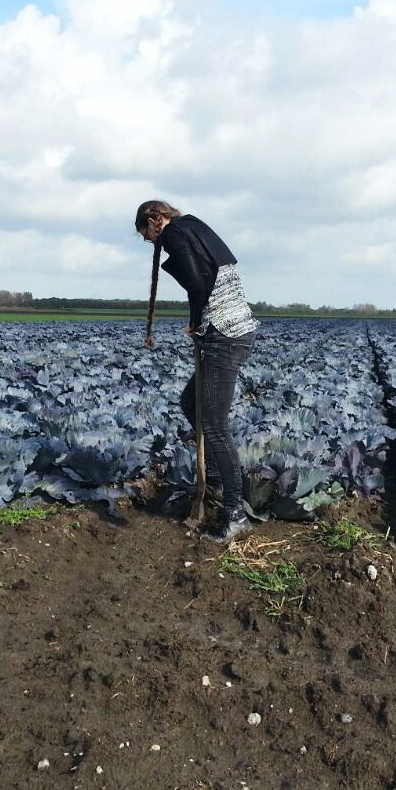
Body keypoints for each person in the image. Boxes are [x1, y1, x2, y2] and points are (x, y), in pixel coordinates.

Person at [135, 200, 259, 543]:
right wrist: (195, 321)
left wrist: (198, 321)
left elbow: (196, 282)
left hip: (223, 334)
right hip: (238, 329)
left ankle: (235, 514)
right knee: (192, 403)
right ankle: (218, 481)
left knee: (215, 427)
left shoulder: (174, 233)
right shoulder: (196, 225)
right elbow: (211, 274)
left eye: (148, 237)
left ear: (155, 220)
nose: (152, 243)